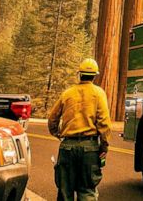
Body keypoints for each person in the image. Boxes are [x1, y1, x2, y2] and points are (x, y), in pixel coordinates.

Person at [47, 58, 111, 201]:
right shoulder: (99, 93)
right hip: (90, 149)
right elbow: (104, 124)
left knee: (65, 192)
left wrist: (58, 134)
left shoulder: (67, 93)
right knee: (87, 191)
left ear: (79, 74)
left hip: (67, 147)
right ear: (95, 76)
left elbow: (52, 119)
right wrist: (104, 147)